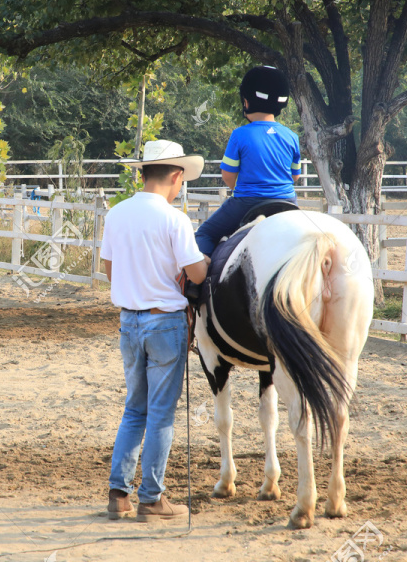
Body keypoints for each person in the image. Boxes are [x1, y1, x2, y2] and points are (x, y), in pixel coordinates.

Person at [101, 140, 210, 522]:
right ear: (176, 176)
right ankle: (152, 497)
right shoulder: (174, 218)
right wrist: (204, 261)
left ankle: (119, 494)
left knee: (135, 408)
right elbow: (196, 273)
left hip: (129, 320)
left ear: (143, 173)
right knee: (162, 414)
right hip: (164, 322)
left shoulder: (116, 214)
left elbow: (108, 269)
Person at [194, 66, 302, 256]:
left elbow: (228, 175)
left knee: (204, 233)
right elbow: (295, 176)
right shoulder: (292, 136)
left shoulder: (239, 135)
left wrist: (242, 189)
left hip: (247, 202)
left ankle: (197, 284)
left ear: (246, 101)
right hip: (287, 201)